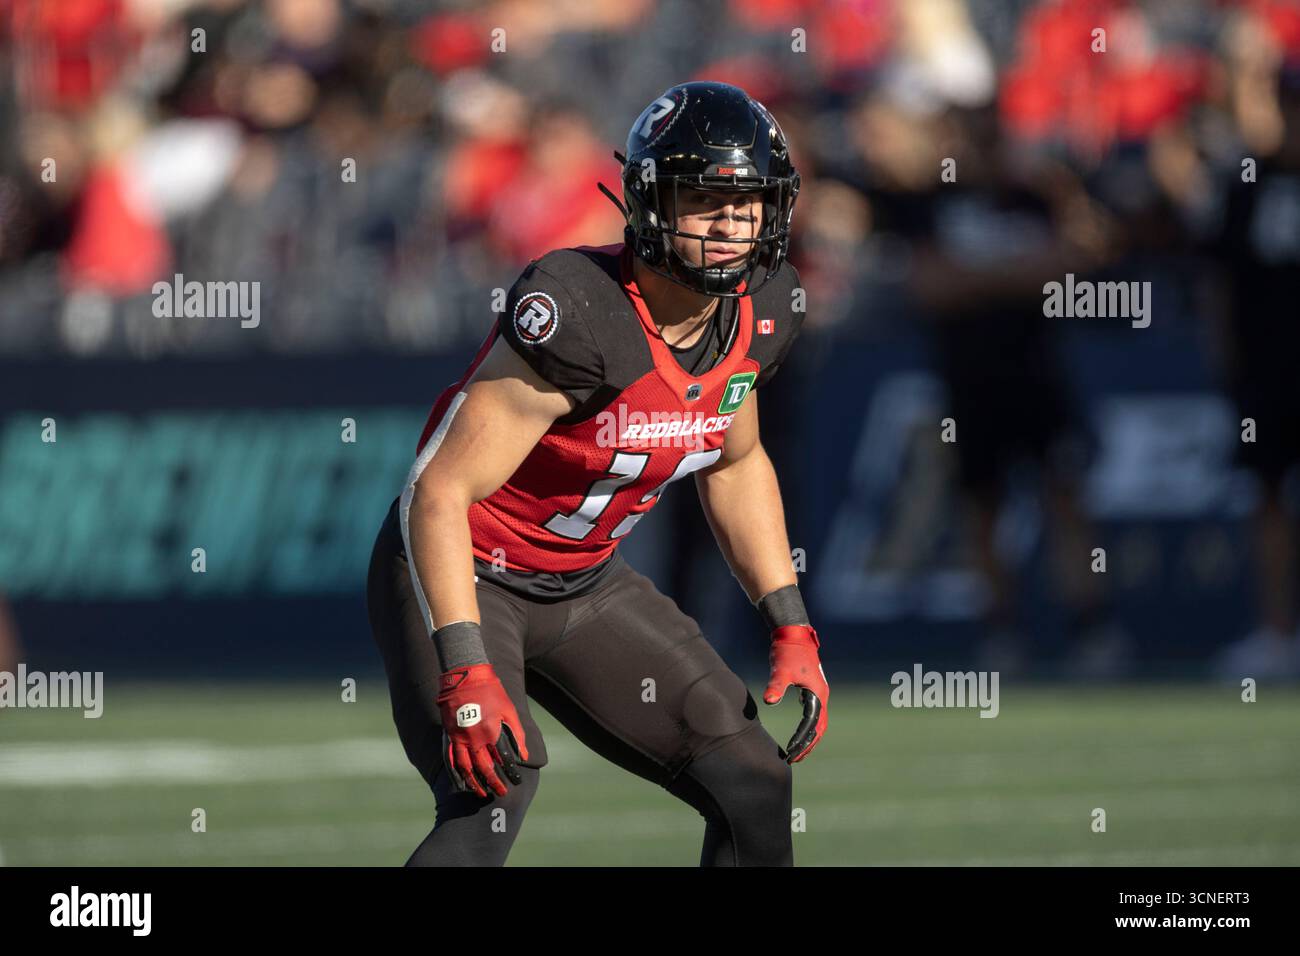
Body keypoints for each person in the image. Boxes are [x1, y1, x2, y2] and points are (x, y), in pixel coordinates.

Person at [366, 81, 828, 866]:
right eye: (703, 202)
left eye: (746, 203)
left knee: (753, 777)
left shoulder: (766, 309)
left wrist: (789, 621)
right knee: (493, 793)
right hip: (463, 571)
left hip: (581, 583)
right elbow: (438, 491)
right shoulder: (583, 312)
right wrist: (466, 665)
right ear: (649, 207)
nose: (729, 226)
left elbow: (736, 458)